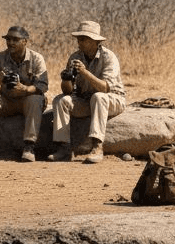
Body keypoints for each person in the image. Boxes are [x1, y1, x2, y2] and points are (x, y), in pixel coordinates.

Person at [49, 20, 126, 164]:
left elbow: (104, 88)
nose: (79, 42)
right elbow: (67, 92)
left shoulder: (109, 57)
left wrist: (84, 72)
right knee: (61, 100)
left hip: (112, 99)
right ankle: (64, 148)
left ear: (94, 41)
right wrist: (66, 79)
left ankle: (97, 146)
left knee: (99, 97)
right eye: (78, 39)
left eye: (83, 39)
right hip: (86, 100)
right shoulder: (75, 57)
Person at [0, 25, 49, 162]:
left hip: (27, 100)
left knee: (36, 99)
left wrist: (24, 88)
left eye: (15, 39)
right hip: (6, 100)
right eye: (8, 39)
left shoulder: (36, 58)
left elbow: (42, 86)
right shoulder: (0, 57)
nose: (10, 43)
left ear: (25, 41)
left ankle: (29, 147)